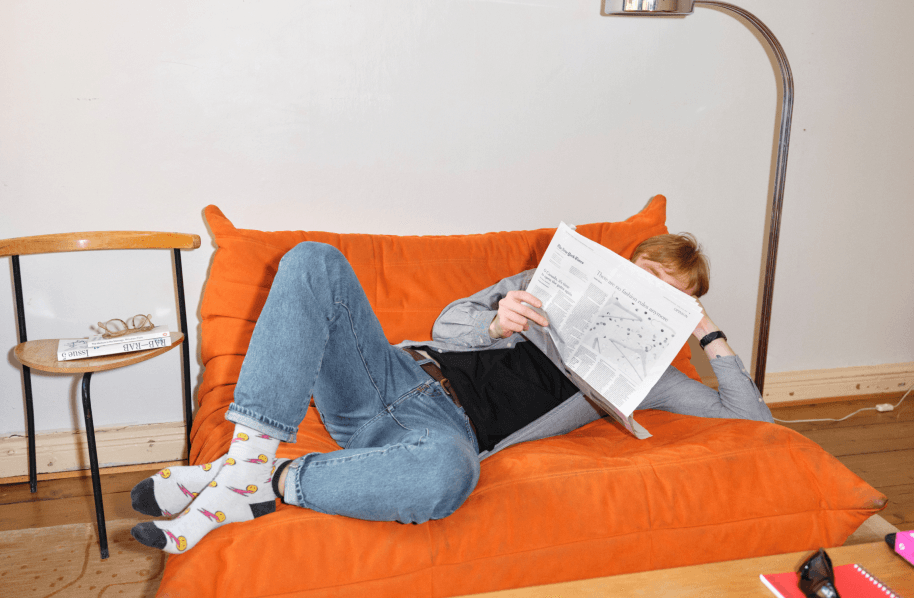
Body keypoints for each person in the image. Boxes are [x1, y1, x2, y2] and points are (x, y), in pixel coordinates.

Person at [130, 233, 773, 554]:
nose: (651, 295)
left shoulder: (652, 379)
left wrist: (710, 334)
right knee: (313, 258)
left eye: (672, 295)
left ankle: (248, 480)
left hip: (440, 434)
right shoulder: (547, 283)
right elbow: (445, 328)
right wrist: (496, 321)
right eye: (646, 278)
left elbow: (752, 419)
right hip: (391, 374)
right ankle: (242, 470)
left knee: (446, 477)